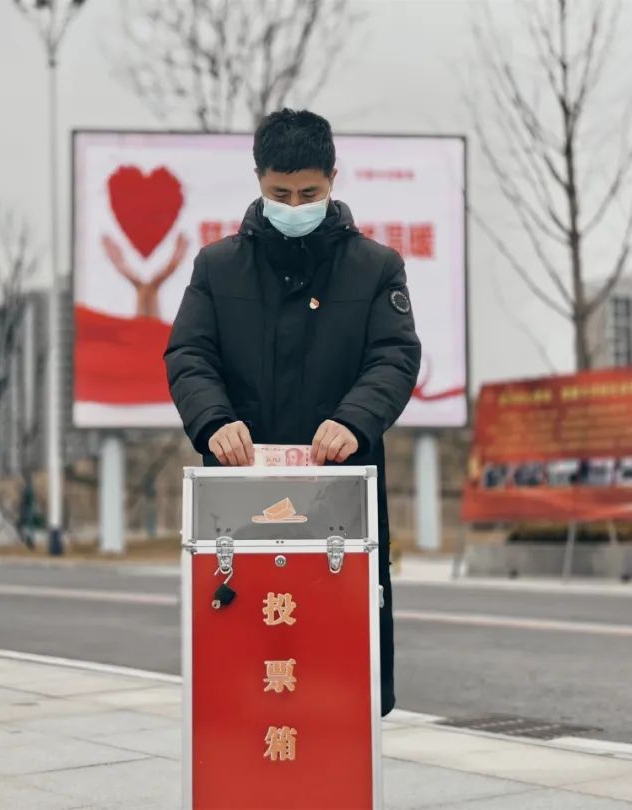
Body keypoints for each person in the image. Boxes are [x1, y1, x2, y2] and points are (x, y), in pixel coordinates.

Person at [164, 108, 421, 716]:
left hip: (339, 492)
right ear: (259, 179)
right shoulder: (217, 267)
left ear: (333, 178)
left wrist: (354, 419)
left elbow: (394, 357)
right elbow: (189, 355)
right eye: (280, 193)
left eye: (309, 193)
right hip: (240, 495)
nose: (294, 205)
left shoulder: (375, 267)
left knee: (341, 665)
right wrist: (214, 421)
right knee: (242, 668)